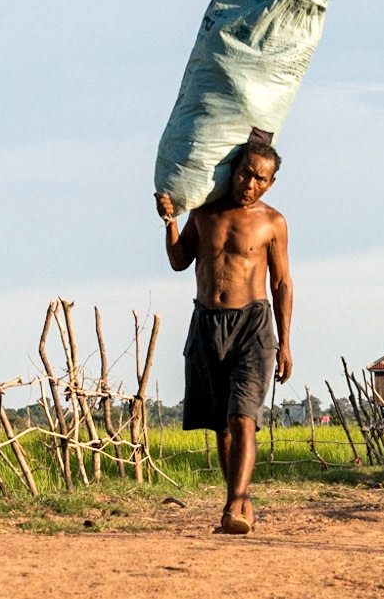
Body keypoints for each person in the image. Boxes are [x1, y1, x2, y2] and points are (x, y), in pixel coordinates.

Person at [155, 141, 293, 535]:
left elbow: (282, 281)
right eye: (245, 173)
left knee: (242, 416)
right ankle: (240, 499)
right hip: (206, 324)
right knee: (222, 424)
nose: (249, 183)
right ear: (234, 169)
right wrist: (170, 221)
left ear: (271, 183)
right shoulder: (204, 212)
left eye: (259, 179)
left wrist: (285, 342)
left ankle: (233, 505)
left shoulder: (273, 222)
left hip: (253, 326)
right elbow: (180, 261)